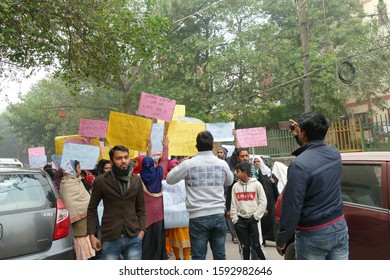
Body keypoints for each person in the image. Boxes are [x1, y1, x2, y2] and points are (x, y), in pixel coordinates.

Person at [276, 112, 349, 260]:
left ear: (303, 133)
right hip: (339, 226)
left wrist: (282, 237)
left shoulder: (299, 165)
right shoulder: (334, 153)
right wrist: (300, 136)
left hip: (313, 235)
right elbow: (313, 152)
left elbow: (292, 206)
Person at [166, 130, 233, 260]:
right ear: (213, 145)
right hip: (218, 214)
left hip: (198, 217)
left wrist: (181, 164)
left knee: (198, 257)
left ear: (196, 146)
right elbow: (229, 181)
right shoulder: (222, 164)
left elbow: (170, 179)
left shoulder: (188, 164)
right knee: (220, 255)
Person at [87, 145, 146, 260]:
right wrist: (91, 235)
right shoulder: (101, 181)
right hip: (110, 236)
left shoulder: (136, 180)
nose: (123, 161)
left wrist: (142, 232)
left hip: (133, 236)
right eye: (119, 158)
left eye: (126, 157)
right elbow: (92, 209)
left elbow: (141, 208)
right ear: (111, 161)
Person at [58, 160, 95, 260]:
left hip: (84, 218)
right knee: (80, 241)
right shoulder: (67, 183)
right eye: (78, 167)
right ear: (72, 170)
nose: (80, 169)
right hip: (77, 220)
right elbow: (71, 203)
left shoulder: (76, 180)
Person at [140, 136, 169, 260]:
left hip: (145, 214)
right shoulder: (158, 173)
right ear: (152, 165)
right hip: (159, 213)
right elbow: (164, 161)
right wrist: (165, 146)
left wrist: (148, 150)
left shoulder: (138, 176)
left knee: (146, 240)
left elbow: (147, 163)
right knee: (159, 238)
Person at [231, 161, 267, 260]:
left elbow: (263, 202)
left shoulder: (257, 184)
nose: (235, 173)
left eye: (237, 171)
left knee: (257, 245)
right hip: (240, 221)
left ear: (245, 173)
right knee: (245, 247)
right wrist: (235, 220)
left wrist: (255, 217)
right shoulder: (235, 186)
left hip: (253, 220)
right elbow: (233, 204)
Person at [165, 159, 191, 260]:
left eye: (176, 166)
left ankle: (186, 259)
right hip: (173, 217)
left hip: (184, 215)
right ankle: (178, 258)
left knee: (187, 240)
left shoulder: (185, 178)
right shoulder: (166, 180)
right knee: (175, 240)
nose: (174, 168)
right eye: (172, 167)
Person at [253, 157, 279, 244]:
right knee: (262, 220)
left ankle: (273, 237)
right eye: (255, 162)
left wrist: (274, 181)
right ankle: (262, 238)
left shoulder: (268, 171)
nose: (257, 163)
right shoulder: (254, 174)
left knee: (271, 219)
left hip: (270, 199)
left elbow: (276, 179)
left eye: (258, 161)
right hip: (259, 199)